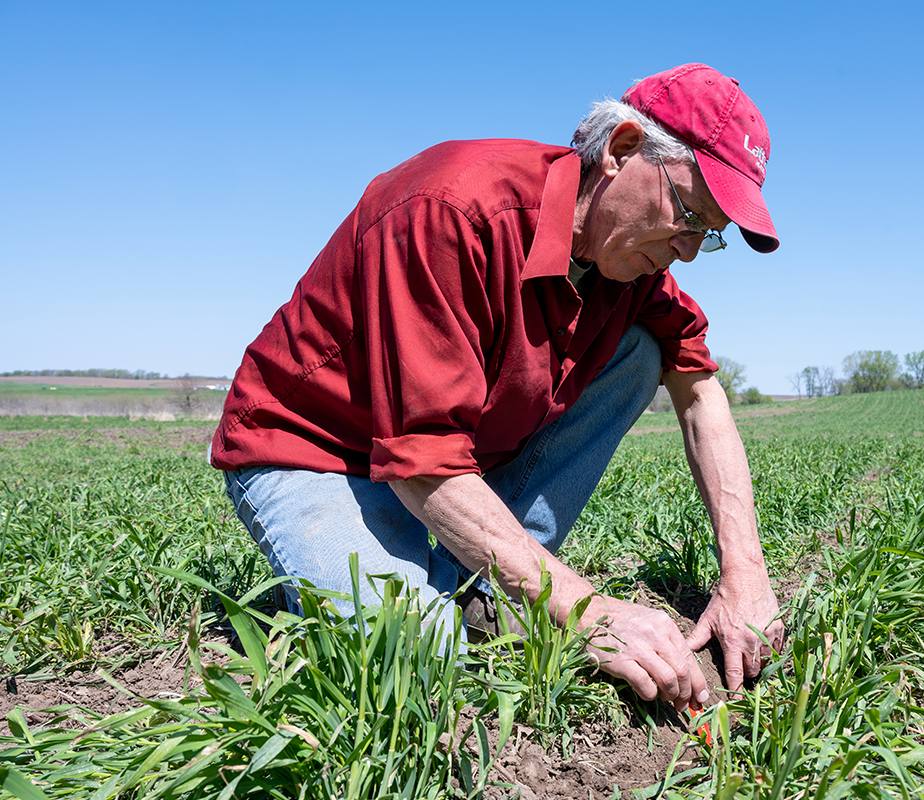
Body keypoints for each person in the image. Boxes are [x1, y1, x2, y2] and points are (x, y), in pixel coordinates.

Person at [210, 63, 785, 713]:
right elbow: (423, 463)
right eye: (687, 214)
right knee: (416, 662)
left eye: (707, 237)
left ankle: (488, 590)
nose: (686, 250)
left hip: (432, 463)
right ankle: (396, 582)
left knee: (644, 350)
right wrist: (590, 611)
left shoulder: (630, 271)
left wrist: (745, 576)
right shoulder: (452, 210)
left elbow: (701, 391)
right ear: (622, 152)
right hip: (316, 451)